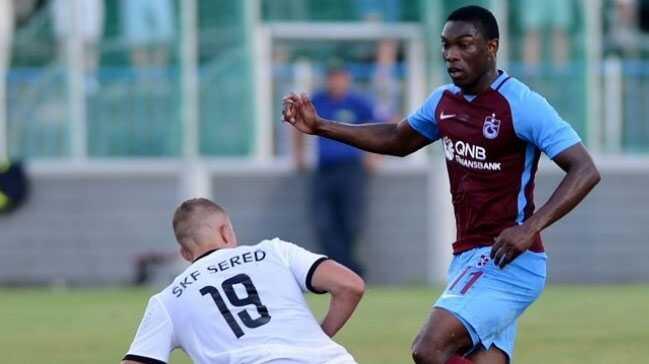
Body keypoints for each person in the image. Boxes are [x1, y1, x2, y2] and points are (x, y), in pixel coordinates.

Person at [283, 5, 600, 364]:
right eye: (446, 45)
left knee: (429, 349)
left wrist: (530, 228)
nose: (452, 55)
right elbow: (398, 139)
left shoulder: (522, 105)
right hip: (468, 258)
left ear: (492, 47)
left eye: (464, 44)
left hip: (511, 260)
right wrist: (321, 126)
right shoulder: (443, 102)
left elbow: (585, 170)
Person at [122, 198, 364, 364]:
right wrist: (318, 339)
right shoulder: (276, 251)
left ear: (185, 254)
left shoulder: (167, 299)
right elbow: (350, 285)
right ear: (226, 231)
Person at [293, 63, 379, 276]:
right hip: (325, 169)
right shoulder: (318, 101)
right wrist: (299, 153)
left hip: (351, 170)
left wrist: (373, 154)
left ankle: (347, 269)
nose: (336, 82)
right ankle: (343, 269)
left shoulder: (357, 103)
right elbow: (298, 124)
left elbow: (379, 126)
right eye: (332, 77)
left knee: (351, 222)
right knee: (323, 221)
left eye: (339, 77)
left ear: (347, 79)